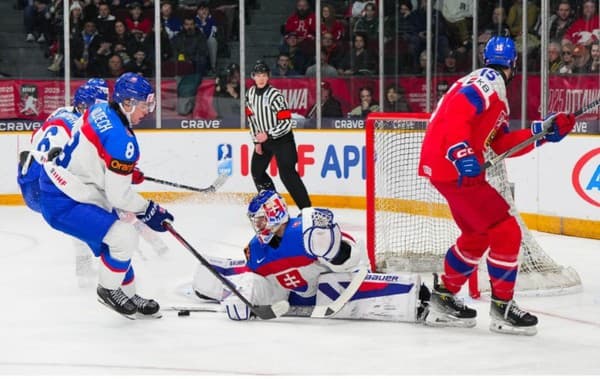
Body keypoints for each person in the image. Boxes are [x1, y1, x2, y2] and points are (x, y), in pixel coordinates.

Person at [418, 36, 576, 336]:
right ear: (514, 64)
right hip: (454, 166)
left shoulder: (493, 91)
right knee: (506, 230)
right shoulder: (489, 80)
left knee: (477, 235)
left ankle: (443, 297)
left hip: (446, 166)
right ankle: (503, 307)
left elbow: (502, 145)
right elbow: (457, 115)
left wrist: (540, 131)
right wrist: (460, 151)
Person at [37, 73, 174, 319]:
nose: (148, 111)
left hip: (70, 187)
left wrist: (121, 169)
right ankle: (108, 290)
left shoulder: (99, 109)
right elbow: (119, 196)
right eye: (145, 105)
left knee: (118, 242)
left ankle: (130, 294)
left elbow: (91, 149)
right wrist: (149, 208)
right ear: (128, 104)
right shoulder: (122, 140)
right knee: (124, 237)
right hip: (64, 199)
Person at [192, 190, 431, 323]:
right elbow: (267, 286)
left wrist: (335, 250)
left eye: (261, 219)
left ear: (274, 213)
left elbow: (354, 257)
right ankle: (210, 282)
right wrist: (243, 295)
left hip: (335, 282)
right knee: (243, 278)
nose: (258, 225)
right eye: (256, 221)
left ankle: (412, 296)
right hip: (294, 296)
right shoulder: (256, 249)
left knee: (331, 285)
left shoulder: (307, 228)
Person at [245, 60, 312, 210]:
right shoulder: (249, 94)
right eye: (258, 75)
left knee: (287, 173)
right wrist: (256, 142)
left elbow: (286, 123)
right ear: (253, 77)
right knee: (257, 171)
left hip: (283, 141)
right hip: (264, 141)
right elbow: (251, 119)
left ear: (268, 77)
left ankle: (306, 210)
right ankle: (274, 206)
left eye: (264, 75)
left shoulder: (275, 95)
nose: (261, 78)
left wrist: (268, 134)